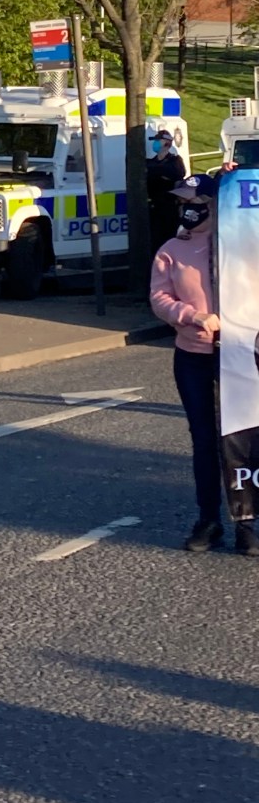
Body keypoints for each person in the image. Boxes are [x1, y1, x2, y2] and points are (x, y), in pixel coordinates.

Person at [150, 172, 259, 556]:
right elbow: (159, 297)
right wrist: (190, 315)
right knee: (204, 441)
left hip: (243, 357)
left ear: (215, 205)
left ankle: (247, 523)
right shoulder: (172, 250)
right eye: (183, 204)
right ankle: (208, 520)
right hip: (194, 357)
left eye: (195, 203)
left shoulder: (246, 244)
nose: (186, 210)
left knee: (243, 441)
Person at [146, 128, 186, 256]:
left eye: (158, 141)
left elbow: (177, 175)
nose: (155, 143)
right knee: (154, 241)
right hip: (153, 207)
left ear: (167, 143)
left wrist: (158, 172)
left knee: (168, 239)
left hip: (169, 208)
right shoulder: (150, 162)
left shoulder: (174, 161)